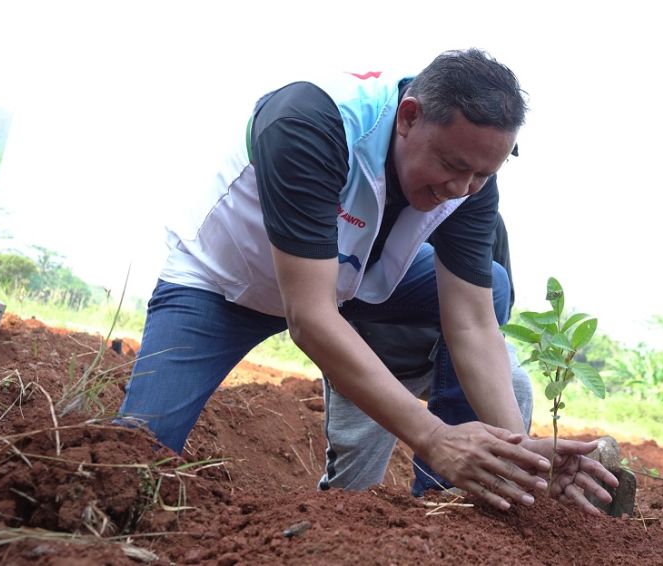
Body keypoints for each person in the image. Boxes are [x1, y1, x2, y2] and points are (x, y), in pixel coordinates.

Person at [117, 48, 618, 513]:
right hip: (225, 287)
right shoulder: (311, 122)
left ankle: (449, 507)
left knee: (491, 283)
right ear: (409, 116)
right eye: (453, 166)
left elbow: (470, 325)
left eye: (481, 176)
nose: (460, 190)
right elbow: (310, 318)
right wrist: (434, 436)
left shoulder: (469, 180)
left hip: (356, 285)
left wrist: (522, 453)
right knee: (133, 459)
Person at [322, 213, 535, 495]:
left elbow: (487, 318)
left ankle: (446, 497)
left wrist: (519, 447)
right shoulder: (372, 209)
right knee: (349, 492)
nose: (457, 185)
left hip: (449, 363)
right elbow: (326, 305)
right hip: (377, 362)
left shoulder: (483, 223)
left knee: (515, 381)